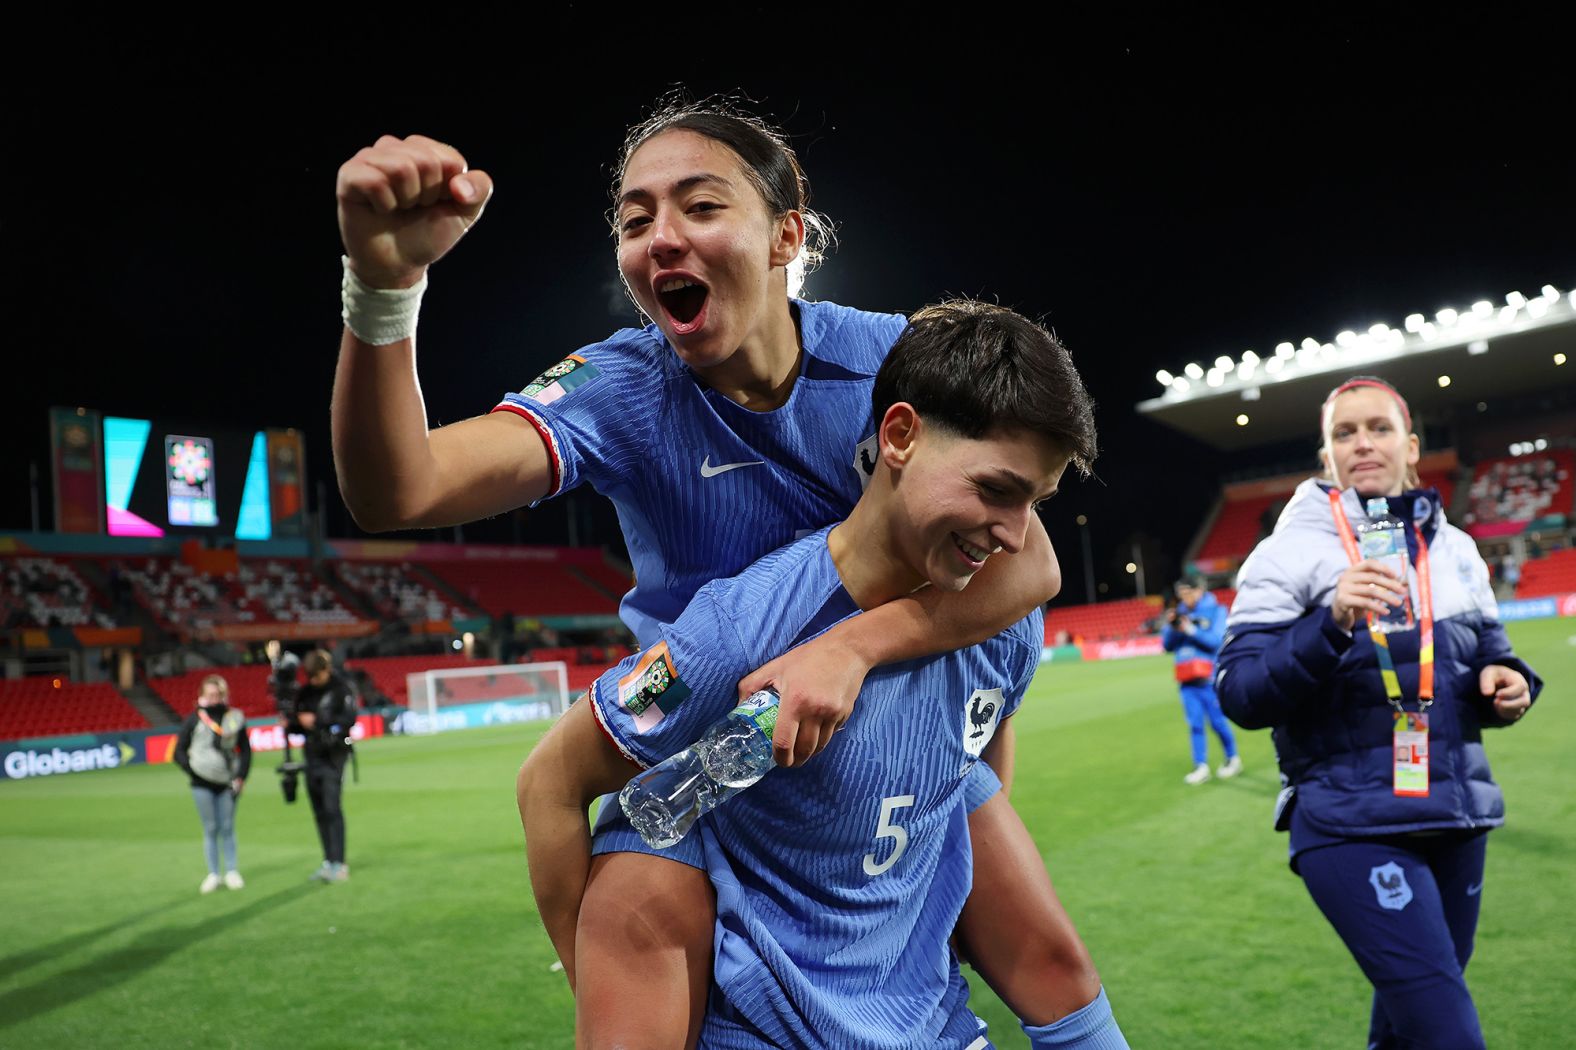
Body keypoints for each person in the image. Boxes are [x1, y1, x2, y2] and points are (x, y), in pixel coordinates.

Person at [334, 99, 1110, 1044]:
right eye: (634, 220)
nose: (662, 238)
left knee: (1055, 969)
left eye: (700, 207)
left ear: (786, 235)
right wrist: (384, 290)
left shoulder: (885, 361)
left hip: (882, 726)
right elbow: (397, 491)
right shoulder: (620, 388)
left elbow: (1026, 562)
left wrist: (854, 648)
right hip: (708, 752)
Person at [521, 301, 1125, 1048]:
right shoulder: (734, 636)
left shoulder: (1004, 617)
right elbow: (548, 782)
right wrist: (595, 986)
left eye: (1035, 501)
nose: (1014, 533)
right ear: (899, 436)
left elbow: (981, 754)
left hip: (938, 1026)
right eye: (997, 490)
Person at [1217, 375, 1541, 1049]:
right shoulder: (1287, 554)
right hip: (1348, 820)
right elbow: (1241, 693)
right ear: (1326, 457)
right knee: (1449, 1036)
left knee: (1405, 1035)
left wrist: (1508, 683)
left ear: (1411, 446)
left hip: (1454, 813)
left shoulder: (1454, 549)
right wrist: (1331, 620)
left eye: (1378, 428)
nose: (1362, 442)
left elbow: (1489, 652)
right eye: (1344, 433)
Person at [286, 649, 359, 882]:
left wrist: (317, 721)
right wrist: (294, 722)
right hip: (312, 754)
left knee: (332, 807)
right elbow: (296, 726)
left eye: (317, 675)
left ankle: (340, 862)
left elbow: (349, 720)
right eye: (311, 676)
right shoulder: (305, 692)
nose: (314, 681)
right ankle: (328, 861)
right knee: (318, 810)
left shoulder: (341, 689)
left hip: (334, 755)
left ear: (326, 670)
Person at [174, 674, 250, 893]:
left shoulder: (233, 717)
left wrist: (241, 776)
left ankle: (232, 871)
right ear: (201, 696)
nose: (214, 698)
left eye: (218, 694)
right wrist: (193, 772)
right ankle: (214, 874)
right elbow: (178, 751)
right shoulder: (193, 719)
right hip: (201, 784)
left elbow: (245, 750)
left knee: (227, 827)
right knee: (210, 828)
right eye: (210, 695)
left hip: (227, 782)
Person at [1161, 576, 1240, 784]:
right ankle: (1201, 766)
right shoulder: (1180, 614)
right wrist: (1172, 627)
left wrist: (1191, 630)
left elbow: (1216, 642)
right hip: (1186, 678)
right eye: (1181, 594)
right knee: (1195, 723)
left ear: (1199, 590)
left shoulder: (1217, 610)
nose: (1184, 598)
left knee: (1217, 722)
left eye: (1187, 593)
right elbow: (1167, 645)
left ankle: (1232, 758)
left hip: (1209, 677)